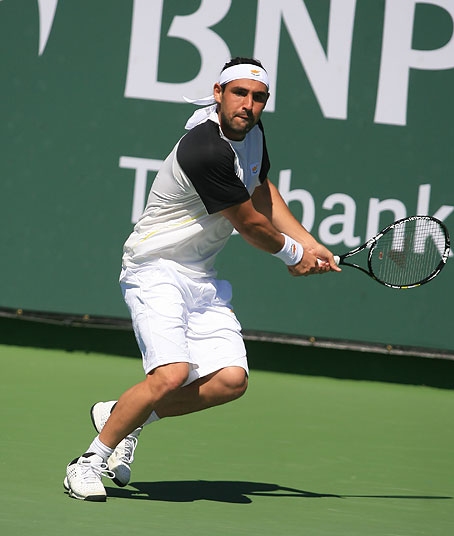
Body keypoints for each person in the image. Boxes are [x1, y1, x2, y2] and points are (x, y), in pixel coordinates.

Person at [63, 57, 340, 501]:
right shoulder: (205, 149)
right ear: (218, 93)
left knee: (231, 380)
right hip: (154, 267)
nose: (248, 105)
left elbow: (261, 190)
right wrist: (293, 255)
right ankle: (88, 462)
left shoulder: (253, 134)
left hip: (199, 275)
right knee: (172, 374)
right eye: (239, 93)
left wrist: (309, 242)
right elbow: (249, 223)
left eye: (258, 97)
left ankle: (123, 415)